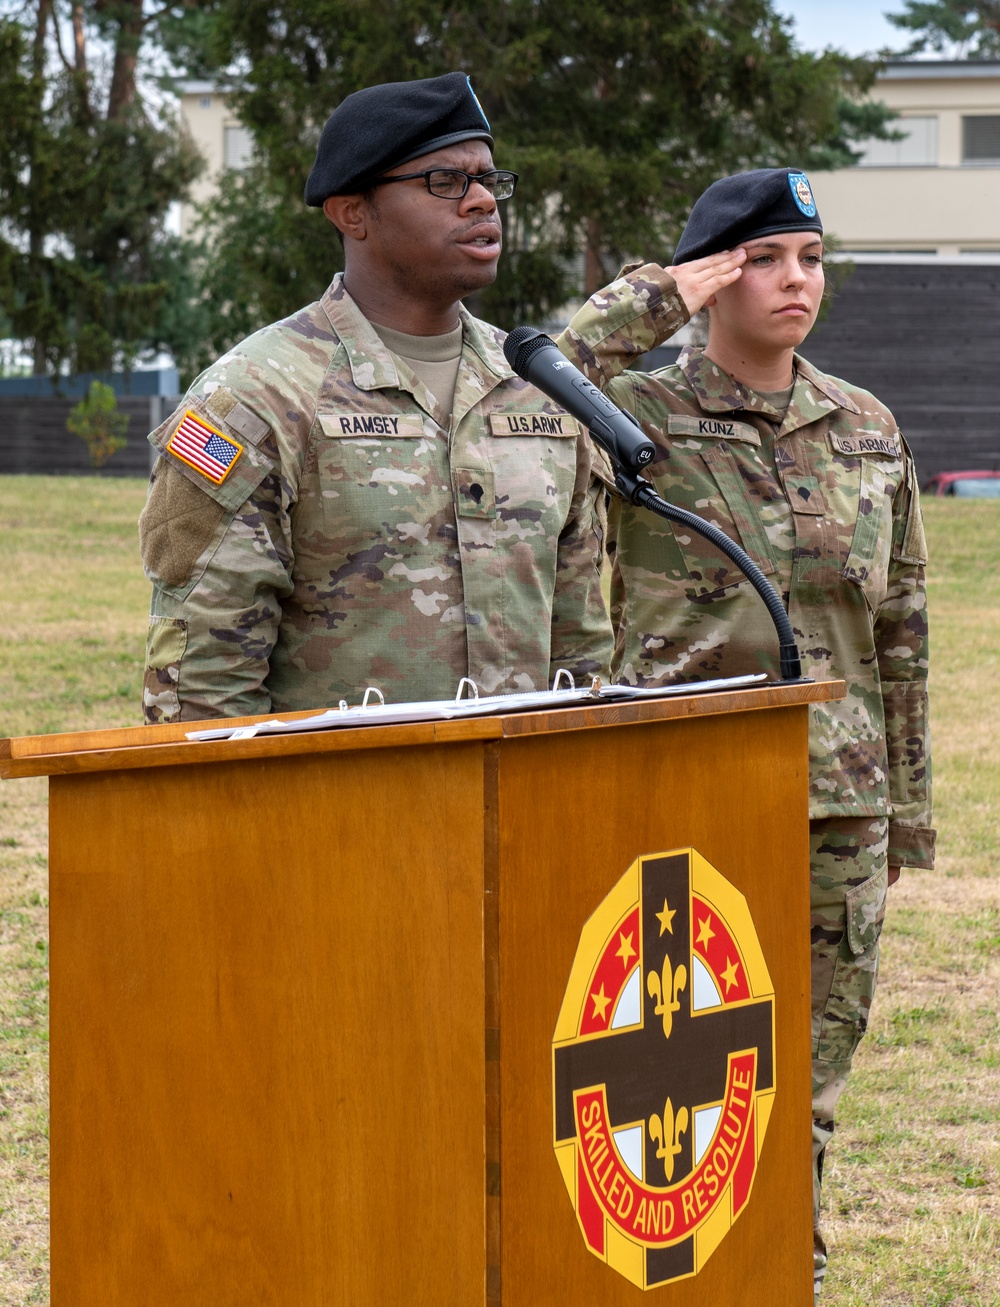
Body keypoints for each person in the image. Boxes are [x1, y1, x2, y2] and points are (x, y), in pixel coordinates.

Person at [562, 168, 934, 1296]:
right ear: (713, 274)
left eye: (810, 260)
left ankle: (785, 1269)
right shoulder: (638, 417)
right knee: (672, 1080)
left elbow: (901, 625)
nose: (793, 282)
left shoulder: (864, 425)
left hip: (838, 801)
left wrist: (907, 814)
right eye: (764, 258)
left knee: (807, 1076)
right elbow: (525, 383)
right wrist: (661, 294)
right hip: (683, 791)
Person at [139, 72, 744, 722]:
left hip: (519, 810)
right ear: (352, 211)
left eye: (489, 179)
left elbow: (577, 656)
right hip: (337, 813)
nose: (483, 200)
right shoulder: (256, 397)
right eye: (446, 181)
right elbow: (202, 682)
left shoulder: (536, 389)